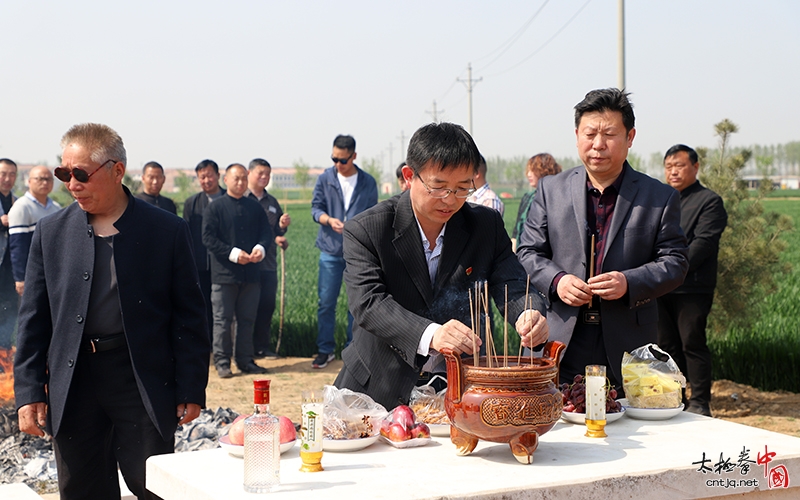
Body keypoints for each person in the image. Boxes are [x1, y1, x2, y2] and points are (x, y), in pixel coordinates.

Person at [13, 123, 210, 500]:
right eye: (64, 173)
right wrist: (28, 390)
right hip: (74, 379)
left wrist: (190, 386)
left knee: (152, 483)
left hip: (140, 376)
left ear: (117, 170)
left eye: (82, 174)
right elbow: (34, 319)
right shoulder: (51, 231)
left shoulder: (166, 231)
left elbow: (189, 316)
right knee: (82, 487)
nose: (72, 184)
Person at [334, 122, 549, 411]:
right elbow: (369, 304)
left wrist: (528, 312)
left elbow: (510, 281)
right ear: (410, 176)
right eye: (439, 187)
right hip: (377, 390)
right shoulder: (369, 229)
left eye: (462, 189)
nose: (450, 200)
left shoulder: (485, 226)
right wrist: (432, 334)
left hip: (461, 391)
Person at [517, 88, 689, 388]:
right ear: (576, 135)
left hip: (629, 342)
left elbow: (675, 262)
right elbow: (528, 253)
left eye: (609, 134)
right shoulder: (550, 190)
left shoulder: (658, 197)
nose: (598, 144)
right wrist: (558, 281)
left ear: (630, 137)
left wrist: (629, 282)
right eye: (590, 134)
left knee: (631, 427)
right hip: (562, 336)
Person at [658, 144, 727, 416]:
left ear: (695, 168)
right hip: (661, 286)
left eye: (680, 165)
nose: (673, 172)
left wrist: (673, 269)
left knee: (692, 342)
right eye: (669, 166)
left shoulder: (709, 201)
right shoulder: (661, 200)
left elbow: (704, 243)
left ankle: (700, 402)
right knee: (666, 346)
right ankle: (675, 399)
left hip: (692, 287)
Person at [310, 135, 378, 369]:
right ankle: (325, 350)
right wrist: (328, 220)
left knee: (356, 304)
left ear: (354, 156)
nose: (338, 164)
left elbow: (374, 215)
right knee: (326, 303)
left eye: (343, 160)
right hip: (330, 250)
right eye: (334, 159)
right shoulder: (325, 179)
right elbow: (315, 209)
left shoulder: (368, 182)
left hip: (358, 252)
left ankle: (354, 350)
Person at [202, 163, 272, 378]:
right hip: (224, 274)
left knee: (247, 319)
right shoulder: (215, 207)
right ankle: (222, 362)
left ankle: (245, 360)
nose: (240, 183)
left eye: (243, 178)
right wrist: (233, 253)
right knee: (222, 320)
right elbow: (208, 238)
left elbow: (266, 233)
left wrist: (260, 249)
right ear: (226, 180)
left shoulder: (254, 207)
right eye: (236, 179)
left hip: (251, 274)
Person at [246, 158, 291, 358]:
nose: (264, 177)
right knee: (246, 308)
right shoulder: (242, 198)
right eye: (260, 173)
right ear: (250, 174)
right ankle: (243, 349)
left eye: (267, 174)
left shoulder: (272, 202)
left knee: (266, 306)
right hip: (246, 263)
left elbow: (277, 230)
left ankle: (262, 347)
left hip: (268, 263)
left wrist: (282, 227)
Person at [183, 159, 225, 341]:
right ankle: (206, 344)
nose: (206, 180)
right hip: (199, 265)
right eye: (202, 177)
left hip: (224, 265)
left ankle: (224, 347)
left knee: (224, 308)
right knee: (203, 305)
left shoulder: (228, 199)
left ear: (218, 176)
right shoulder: (191, 203)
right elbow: (186, 236)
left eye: (209, 176)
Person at [8, 166, 61, 296]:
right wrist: (20, 278)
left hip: (52, 271)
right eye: (40, 179)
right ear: (29, 181)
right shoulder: (22, 207)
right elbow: (17, 246)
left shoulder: (56, 208)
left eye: (49, 179)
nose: (45, 183)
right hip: (31, 272)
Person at [511, 154, 562, 247]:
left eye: (533, 170)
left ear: (545, 172)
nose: (528, 174)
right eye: (528, 170)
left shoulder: (556, 198)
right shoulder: (527, 197)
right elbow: (516, 231)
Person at [0, 158, 19, 348]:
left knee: (9, 309)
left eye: (12, 174)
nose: (7, 178)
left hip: (11, 268)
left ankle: (4, 352)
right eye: (3, 174)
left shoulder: (19, 203)